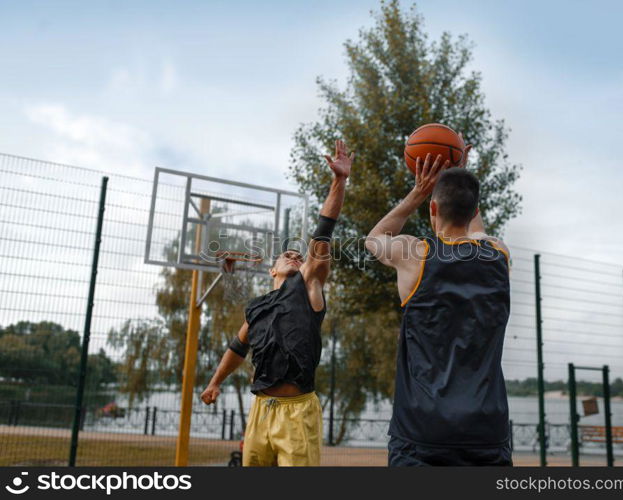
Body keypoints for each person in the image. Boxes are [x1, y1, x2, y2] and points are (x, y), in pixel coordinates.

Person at [200, 140, 353, 466]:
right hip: (260, 411)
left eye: (299, 256)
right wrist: (215, 383)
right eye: (288, 254)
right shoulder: (257, 308)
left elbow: (323, 231)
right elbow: (237, 348)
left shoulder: (309, 285)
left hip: (297, 413)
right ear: (272, 269)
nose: (296, 256)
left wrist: (339, 181)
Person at [365, 142, 512, 466]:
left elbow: (373, 239)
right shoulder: (498, 254)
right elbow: (478, 232)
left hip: (422, 430)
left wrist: (418, 192)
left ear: (432, 209)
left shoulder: (414, 254)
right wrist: (461, 172)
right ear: (474, 209)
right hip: (486, 429)